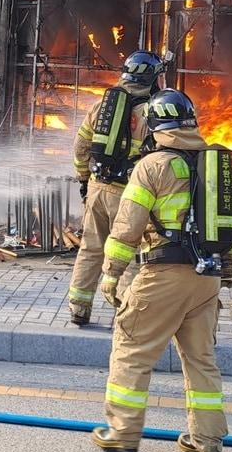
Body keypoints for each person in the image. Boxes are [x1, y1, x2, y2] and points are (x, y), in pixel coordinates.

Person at [90, 89, 232, 452]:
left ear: (155, 125)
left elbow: (127, 226)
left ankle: (122, 433)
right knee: (201, 359)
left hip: (163, 274)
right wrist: (224, 271)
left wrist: (110, 273)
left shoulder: (152, 166)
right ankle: (208, 441)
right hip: (207, 279)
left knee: (132, 349)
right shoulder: (215, 162)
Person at [67, 51, 162, 325]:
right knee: (129, 251)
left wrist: (84, 178)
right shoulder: (152, 112)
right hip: (132, 194)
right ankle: (125, 313)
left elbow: (80, 146)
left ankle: (79, 308)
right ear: (151, 78)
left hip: (98, 187)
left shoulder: (102, 105)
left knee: (91, 248)